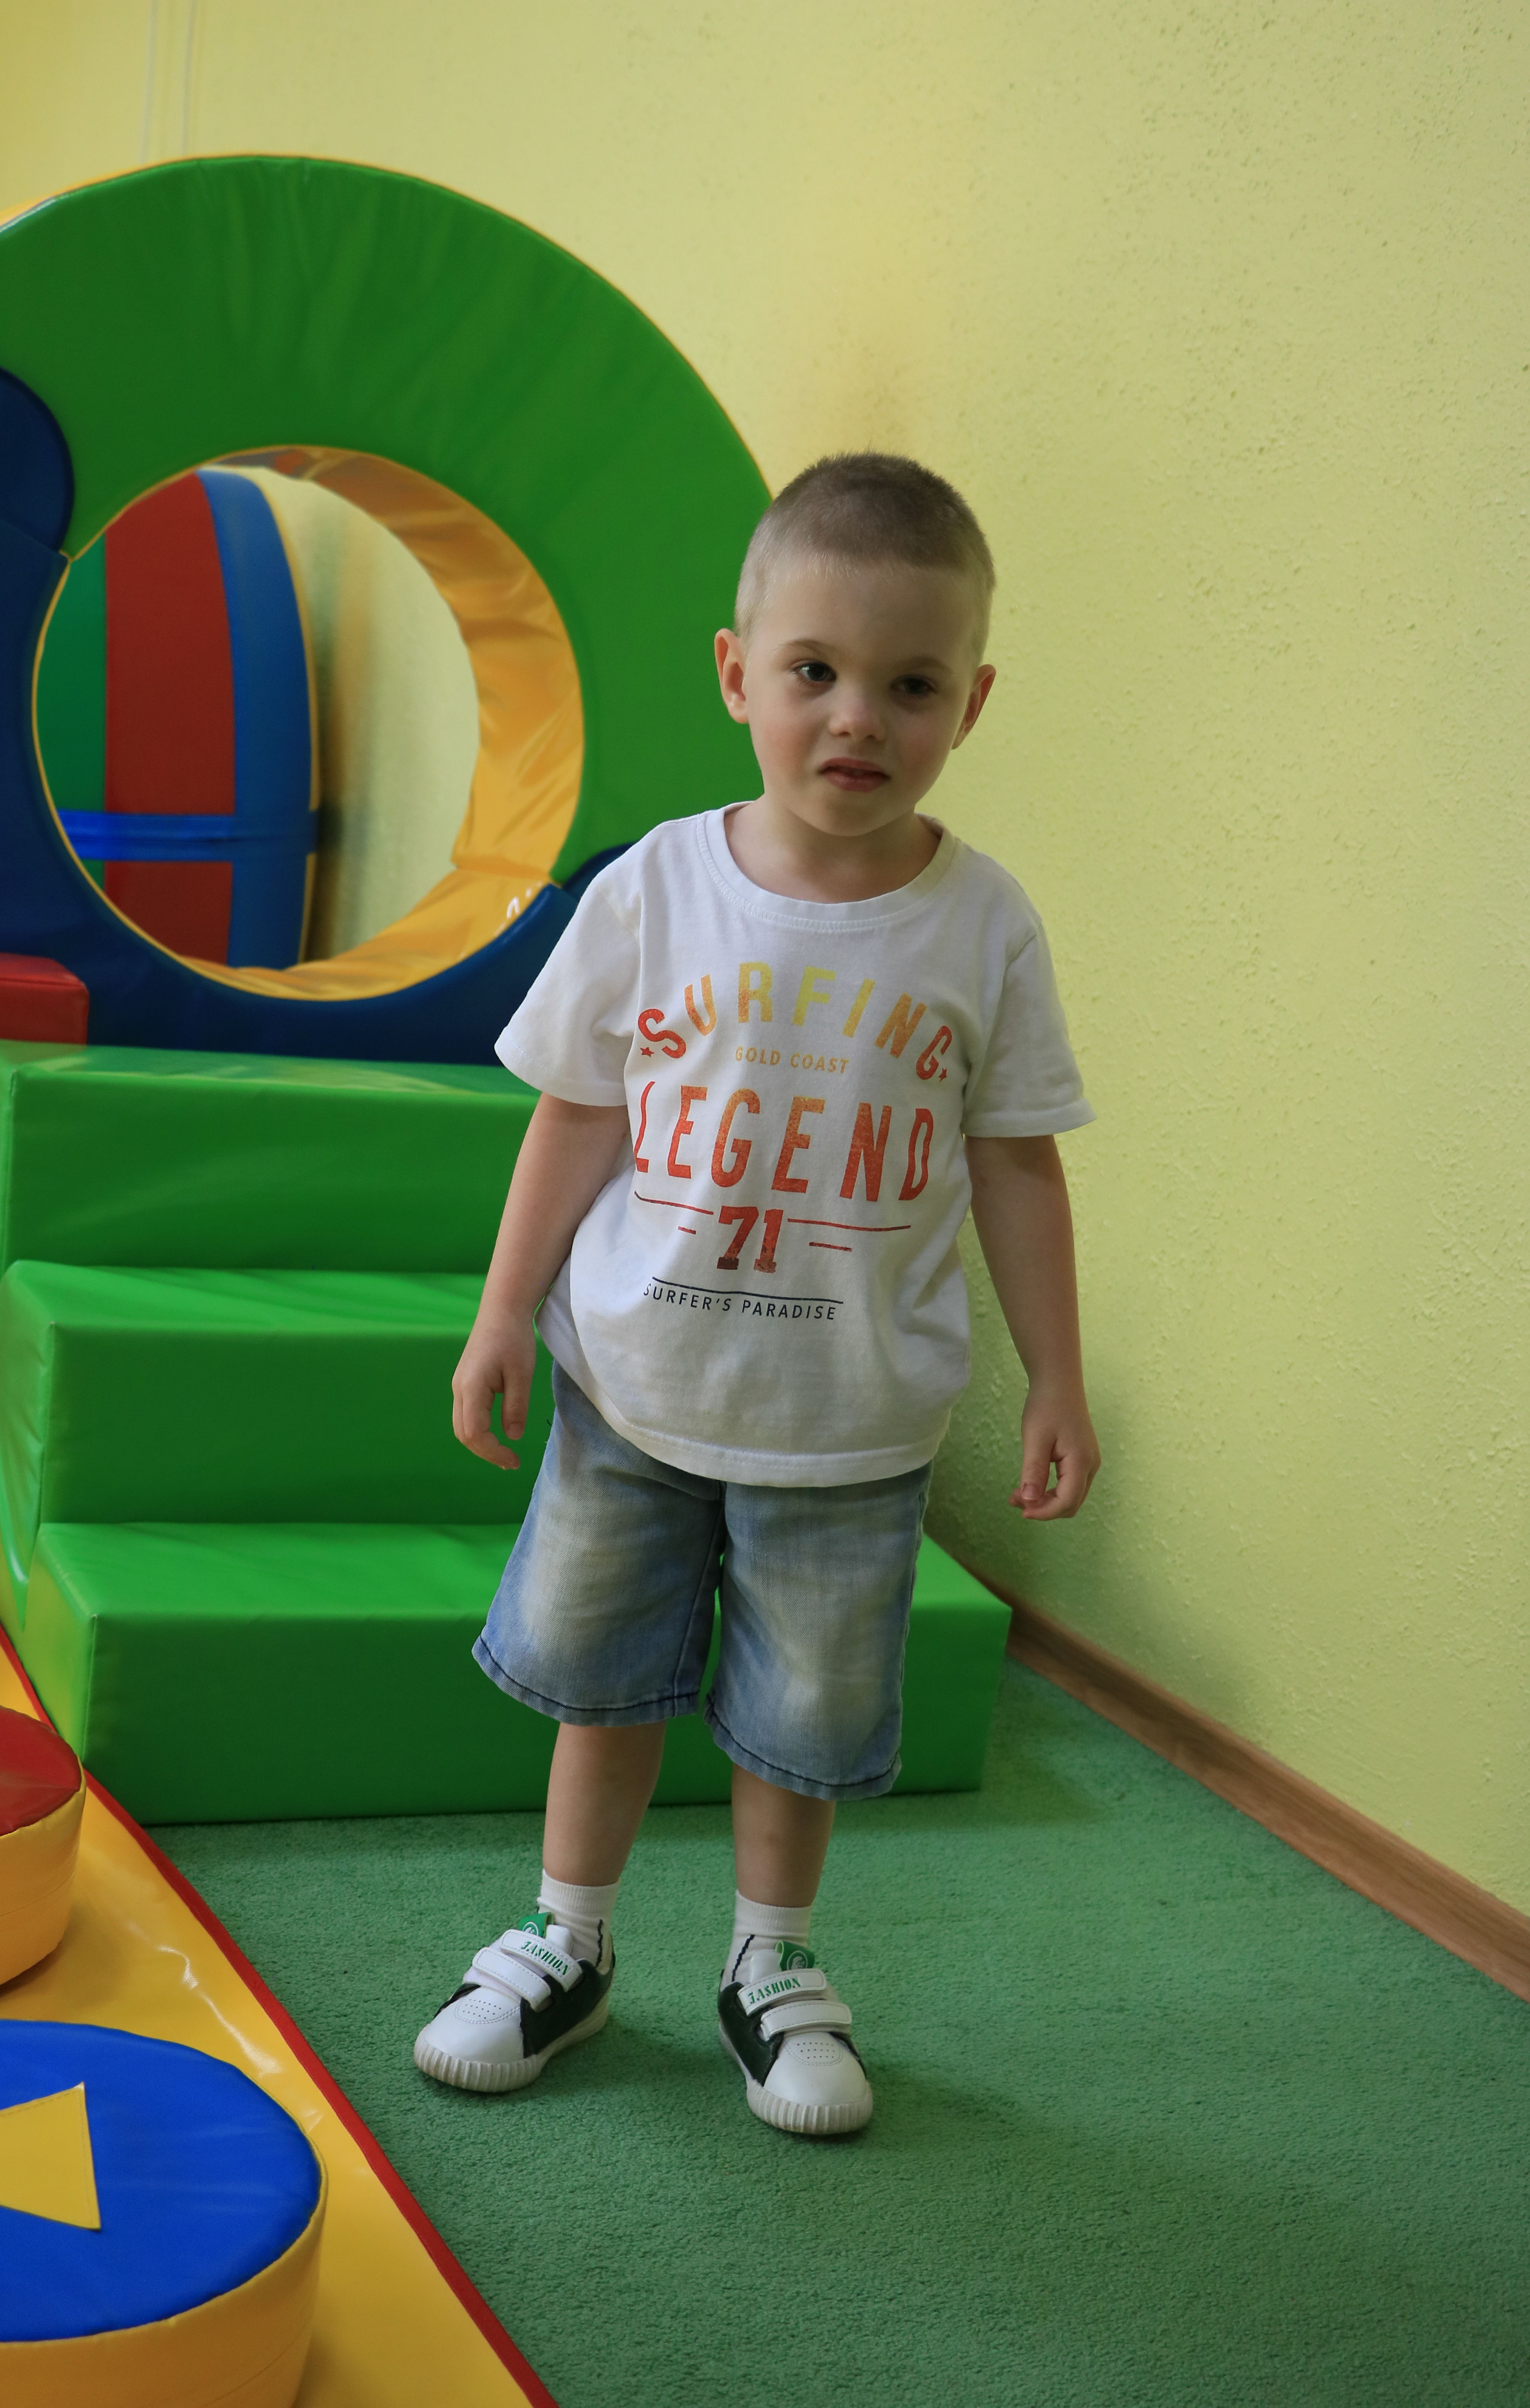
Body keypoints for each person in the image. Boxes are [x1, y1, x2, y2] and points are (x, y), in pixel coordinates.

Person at [413, 453, 1099, 2137]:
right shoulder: (655, 889)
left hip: (850, 1425)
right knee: (602, 1685)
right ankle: (566, 1943)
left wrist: (1059, 1378)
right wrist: (502, 1313)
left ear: (971, 705)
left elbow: (1017, 1162)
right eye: (814, 670)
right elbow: (578, 1115)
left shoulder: (982, 927)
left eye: (911, 684)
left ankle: (771, 1967)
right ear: (738, 675)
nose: (857, 716)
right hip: (634, 1389)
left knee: (801, 1726)